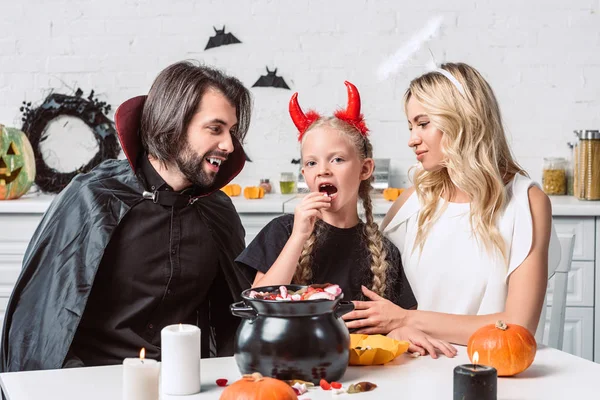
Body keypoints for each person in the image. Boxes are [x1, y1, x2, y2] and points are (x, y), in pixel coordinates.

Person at [1, 61, 255, 372]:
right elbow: (41, 327)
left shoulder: (218, 211)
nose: (229, 145)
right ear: (173, 125)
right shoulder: (92, 198)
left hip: (185, 382)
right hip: (92, 381)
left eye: (232, 131)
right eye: (215, 129)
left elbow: (235, 320)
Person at [343, 62, 560, 348]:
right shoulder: (412, 202)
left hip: (493, 372)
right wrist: (397, 329)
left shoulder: (526, 203)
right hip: (415, 364)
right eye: (410, 126)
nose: (412, 139)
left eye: (423, 124)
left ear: (462, 119)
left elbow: (517, 327)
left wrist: (405, 320)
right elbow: (380, 302)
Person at [235, 81, 456, 358]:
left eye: (337, 159)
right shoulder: (283, 231)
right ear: (304, 173)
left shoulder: (384, 251)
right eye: (312, 163)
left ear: (365, 169)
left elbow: (399, 321)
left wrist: (401, 331)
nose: (323, 171)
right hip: (290, 365)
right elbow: (258, 304)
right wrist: (299, 236)